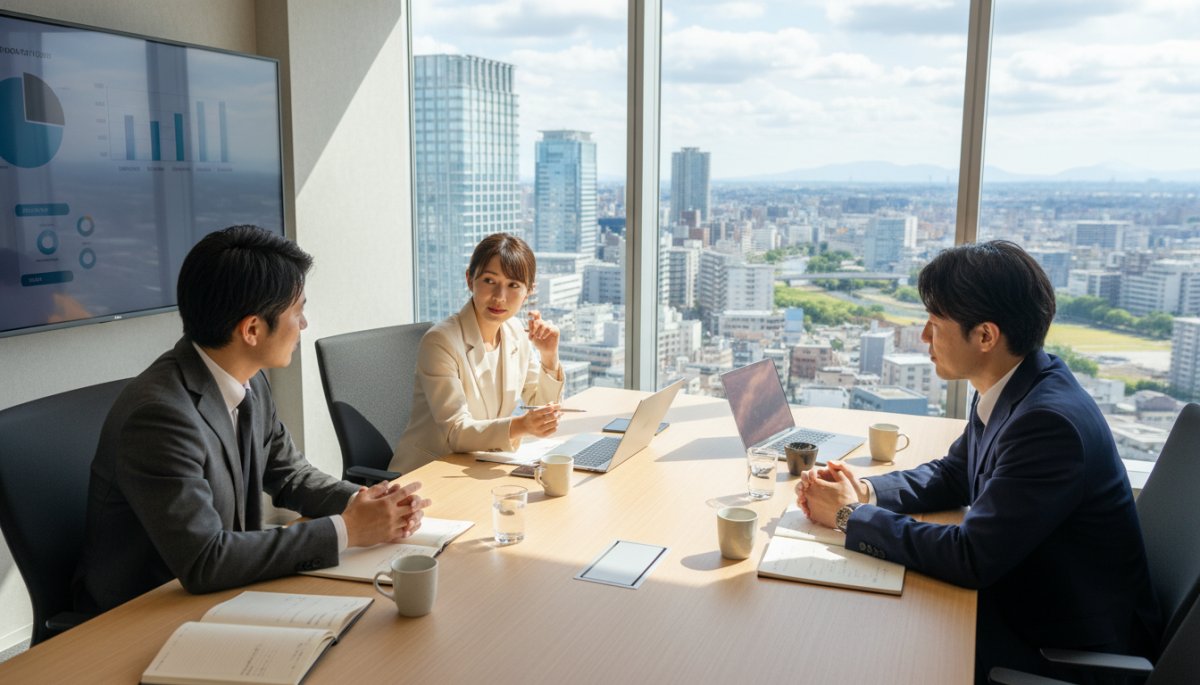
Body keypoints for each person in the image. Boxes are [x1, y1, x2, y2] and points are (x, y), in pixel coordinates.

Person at [796, 241, 1159, 683]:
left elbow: (971, 557)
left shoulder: (1047, 423)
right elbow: (955, 473)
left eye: (934, 324)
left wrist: (850, 516)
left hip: (1061, 644)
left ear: (985, 336)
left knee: (866, 648)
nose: (924, 338)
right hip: (1025, 597)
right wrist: (867, 491)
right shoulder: (1017, 384)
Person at [73, 225, 430, 613]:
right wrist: (348, 530)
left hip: (223, 593)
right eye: (299, 311)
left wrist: (371, 503)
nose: (304, 325)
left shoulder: (250, 381)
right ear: (252, 329)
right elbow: (205, 560)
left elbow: (291, 475)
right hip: (143, 614)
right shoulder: (160, 417)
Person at [389, 233, 564, 473]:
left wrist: (549, 357)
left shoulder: (515, 332)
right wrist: (520, 426)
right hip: (430, 472)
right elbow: (456, 432)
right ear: (470, 279)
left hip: (479, 467)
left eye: (513, 285)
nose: (500, 297)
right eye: (490, 281)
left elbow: (542, 408)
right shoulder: (441, 341)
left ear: (528, 291)